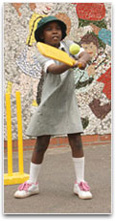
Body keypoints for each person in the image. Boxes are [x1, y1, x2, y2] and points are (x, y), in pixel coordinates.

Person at [14, 16, 92, 200]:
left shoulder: (70, 45)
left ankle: (80, 182)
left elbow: (85, 54)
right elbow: (55, 69)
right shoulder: (41, 51)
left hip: (67, 100)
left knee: (76, 140)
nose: (55, 31)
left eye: (58, 28)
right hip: (49, 100)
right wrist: (71, 63)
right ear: (42, 35)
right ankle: (32, 183)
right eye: (49, 29)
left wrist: (82, 59)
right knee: (41, 143)